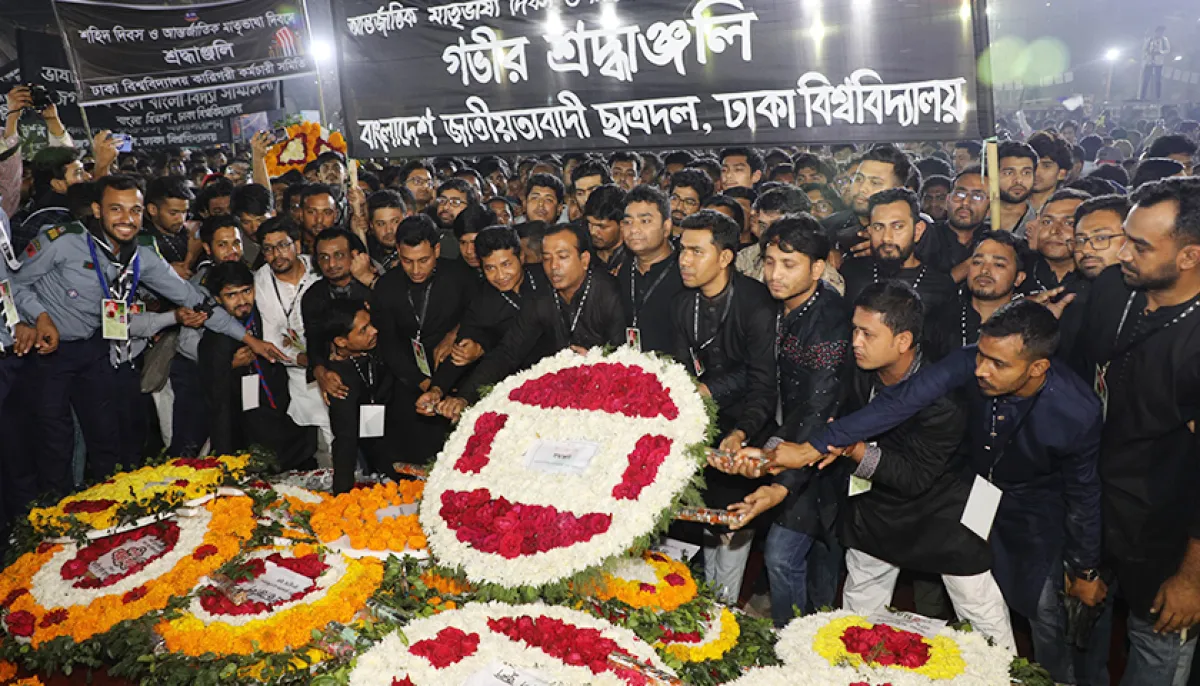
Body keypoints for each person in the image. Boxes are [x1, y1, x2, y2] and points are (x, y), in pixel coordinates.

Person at [13, 175, 284, 497]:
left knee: (107, 438)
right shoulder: (61, 240)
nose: (127, 219)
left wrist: (251, 340)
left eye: (134, 210)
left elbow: (194, 298)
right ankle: (51, 516)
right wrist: (39, 317)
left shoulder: (142, 254)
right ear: (98, 210)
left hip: (98, 348)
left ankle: (106, 510)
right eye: (117, 209)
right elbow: (14, 283)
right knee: (54, 440)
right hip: (50, 351)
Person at [1071, 177, 1200, 686]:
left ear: (1190, 256)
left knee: (1154, 660)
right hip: (1095, 517)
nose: (1121, 252)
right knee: (1082, 654)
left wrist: (1192, 578)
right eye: (1124, 236)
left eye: (1140, 245)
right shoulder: (1111, 289)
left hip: (1167, 540)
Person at [670, 209, 777, 605]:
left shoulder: (757, 304)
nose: (685, 260)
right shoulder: (682, 303)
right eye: (683, 250)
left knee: (732, 526)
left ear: (726, 257)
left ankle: (725, 611)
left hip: (748, 427)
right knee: (704, 524)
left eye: (696, 252)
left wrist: (737, 431)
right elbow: (683, 373)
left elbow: (763, 381)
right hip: (702, 429)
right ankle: (705, 607)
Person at [754, 214, 850, 624]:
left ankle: (792, 642)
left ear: (818, 267)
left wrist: (782, 470)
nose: (775, 274)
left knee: (787, 555)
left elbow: (819, 407)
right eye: (769, 261)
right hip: (781, 440)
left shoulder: (830, 321)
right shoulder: (769, 303)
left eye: (788, 264)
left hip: (822, 453)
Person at [441, 222, 624, 417]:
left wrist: (596, 362)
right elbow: (508, 352)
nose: (553, 266)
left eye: (562, 257)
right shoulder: (544, 296)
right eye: (546, 258)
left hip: (609, 398)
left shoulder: (608, 292)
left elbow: (627, 355)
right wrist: (465, 397)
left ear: (584, 259)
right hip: (562, 398)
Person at [371, 215, 478, 463]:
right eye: (407, 261)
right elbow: (388, 343)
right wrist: (422, 383)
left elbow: (479, 318)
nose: (416, 270)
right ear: (398, 251)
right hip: (408, 379)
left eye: (424, 260)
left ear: (437, 249)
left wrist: (456, 332)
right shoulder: (386, 286)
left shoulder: (461, 277)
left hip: (456, 377)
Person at [199, 261, 316, 471]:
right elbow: (217, 403)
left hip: (287, 419)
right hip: (245, 429)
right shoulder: (215, 339)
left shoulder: (268, 317)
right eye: (231, 295)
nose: (242, 300)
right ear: (217, 298)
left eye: (246, 291)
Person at [417, 226, 548, 412]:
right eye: (490, 268)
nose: (500, 275)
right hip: (519, 386)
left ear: (521, 258)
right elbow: (462, 352)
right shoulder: (482, 301)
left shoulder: (546, 277)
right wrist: (437, 389)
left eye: (506, 264)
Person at [254, 218, 329, 465]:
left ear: (297, 244)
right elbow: (271, 337)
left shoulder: (320, 268)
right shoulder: (261, 280)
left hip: (333, 364)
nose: (277, 254)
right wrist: (306, 360)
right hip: (295, 371)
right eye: (268, 249)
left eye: (283, 245)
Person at [315, 300, 400, 493]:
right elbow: (345, 440)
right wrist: (342, 498)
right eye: (364, 330)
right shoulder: (337, 380)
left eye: (370, 324)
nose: (374, 331)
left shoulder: (378, 346)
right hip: (372, 450)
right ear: (341, 341)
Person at [841, 188, 957, 312]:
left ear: (917, 231)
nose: (886, 238)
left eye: (897, 227)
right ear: (869, 231)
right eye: (878, 227)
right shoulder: (850, 272)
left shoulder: (941, 287)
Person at [925, 231, 1027, 361]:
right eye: (977, 262)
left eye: (998, 265)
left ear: (1019, 278)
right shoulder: (939, 319)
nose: (984, 270)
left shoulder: (1028, 327)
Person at [615, 185, 685, 354]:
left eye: (645, 221)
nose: (634, 230)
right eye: (628, 222)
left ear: (666, 227)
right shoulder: (624, 270)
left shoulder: (685, 272)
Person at [822, 144, 915, 259]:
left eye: (875, 183)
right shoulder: (829, 227)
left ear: (898, 189)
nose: (862, 188)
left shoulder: (920, 232)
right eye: (858, 179)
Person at [915, 166, 990, 282]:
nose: (965, 202)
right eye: (960, 194)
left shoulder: (993, 240)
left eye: (977, 197)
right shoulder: (925, 237)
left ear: (990, 207)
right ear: (948, 200)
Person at [1023, 189, 1090, 294]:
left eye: (1069, 223)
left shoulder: (1097, 279)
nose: (1054, 231)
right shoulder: (1018, 269)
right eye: (1047, 222)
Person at [143, 176, 199, 280]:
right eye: (173, 213)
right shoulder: (143, 241)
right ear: (153, 209)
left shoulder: (187, 233)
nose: (181, 219)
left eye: (184, 212)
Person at [995, 141, 1038, 237]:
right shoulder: (977, 217)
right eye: (1009, 173)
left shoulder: (1039, 223)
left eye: (1026, 173)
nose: (1018, 181)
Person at [583, 184, 627, 273]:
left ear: (622, 224)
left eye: (601, 226)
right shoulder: (582, 249)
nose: (593, 232)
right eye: (589, 223)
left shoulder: (636, 260)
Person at [366, 189, 410, 274]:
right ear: (371, 225)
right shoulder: (367, 253)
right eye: (381, 224)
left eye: (395, 221)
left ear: (405, 218)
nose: (389, 230)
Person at [1028, 131, 1073, 213]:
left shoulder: (1070, 211)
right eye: (1032, 164)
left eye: (1046, 166)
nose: (1036, 172)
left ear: (1062, 173)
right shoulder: (1005, 206)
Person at [299, 183, 343, 253]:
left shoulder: (345, 246)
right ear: (301, 214)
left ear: (336, 215)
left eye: (327, 213)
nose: (319, 220)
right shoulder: (290, 247)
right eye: (311, 212)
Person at [1140, 26, 1170, 101]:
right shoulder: (1150, 40)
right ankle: (1142, 96)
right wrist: (1148, 55)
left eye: (1162, 32)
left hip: (1158, 62)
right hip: (1149, 62)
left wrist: (1160, 52)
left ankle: (1158, 97)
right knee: (1146, 80)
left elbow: (1168, 50)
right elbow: (1144, 50)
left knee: (1158, 80)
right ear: (1156, 32)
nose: (1160, 33)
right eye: (1159, 32)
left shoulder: (1164, 40)